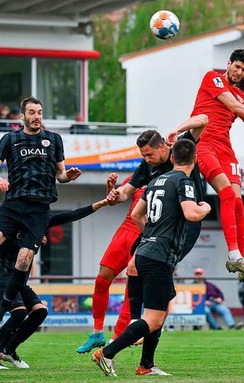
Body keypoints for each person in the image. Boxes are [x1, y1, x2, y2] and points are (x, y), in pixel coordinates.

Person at [0, 97, 81, 342]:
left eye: (40, 112)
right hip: (14, 203)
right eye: (32, 112)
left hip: (40, 208)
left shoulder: (54, 139)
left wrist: (68, 176)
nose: (37, 116)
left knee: (23, 262)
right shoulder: (10, 139)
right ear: (22, 116)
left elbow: (60, 175)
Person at [167, 48, 244, 281]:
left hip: (226, 149)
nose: (239, 72)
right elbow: (235, 108)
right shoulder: (212, 78)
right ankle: (233, 255)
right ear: (229, 63)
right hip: (203, 145)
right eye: (237, 67)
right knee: (225, 192)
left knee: (237, 201)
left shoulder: (242, 97)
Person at [92, 139, 211, 377]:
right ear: (195, 160)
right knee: (154, 319)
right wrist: (205, 207)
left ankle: (146, 364)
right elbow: (191, 213)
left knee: (162, 307)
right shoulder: (185, 182)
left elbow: (137, 213)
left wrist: (150, 233)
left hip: (144, 251)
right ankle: (106, 354)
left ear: (173, 158)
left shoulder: (155, 181)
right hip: (160, 257)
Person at [0, 190, 114, 369]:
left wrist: (101, 203)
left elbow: (71, 215)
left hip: (17, 280)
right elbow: (3, 244)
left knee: (39, 312)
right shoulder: (13, 219)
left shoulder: (41, 220)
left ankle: (8, 350)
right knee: (19, 313)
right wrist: (29, 239)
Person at [75, 175, 144, 354]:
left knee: (132, 289)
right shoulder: (141, 173)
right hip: (127, 228)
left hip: (146, 232)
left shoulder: (173, 176)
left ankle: (116, 340)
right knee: (101, 280)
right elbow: (116, 199)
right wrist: (111, 191)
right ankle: (97, 333)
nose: (147, 157)